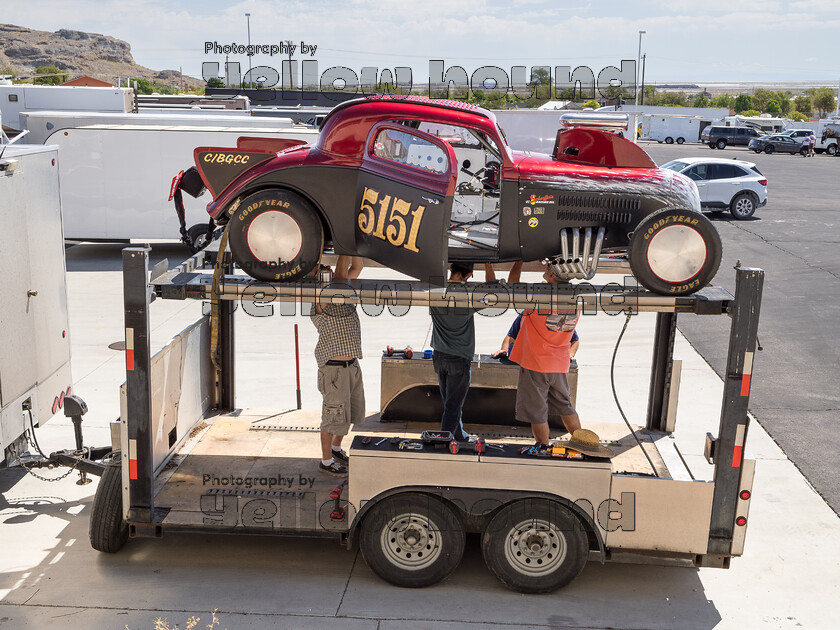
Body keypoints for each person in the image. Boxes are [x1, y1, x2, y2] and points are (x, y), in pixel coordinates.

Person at [509, 265, 582, 446]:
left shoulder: (538, 300)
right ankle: (583, 443)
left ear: (550, 275)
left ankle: (542, 447)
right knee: (565, 406)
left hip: (536, 363)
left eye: (547, 266)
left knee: (537, 412)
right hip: (559, 364)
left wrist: (518, 261)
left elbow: (512, 285)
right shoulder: (575, 302)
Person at [311, 256, 365, 476]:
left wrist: (353, 251)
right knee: (332, 417)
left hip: (351, 366)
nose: (331, 272)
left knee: (351, 413)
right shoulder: (320, 302)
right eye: (325, 272)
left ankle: (335, 449)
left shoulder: (342, 291)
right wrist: (345, 248)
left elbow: (357, 267)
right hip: (334, 370)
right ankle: (325, 461)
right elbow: (341, 279)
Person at [430, 262, 478, 442]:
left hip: (439, 355)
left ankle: (458, 434)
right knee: (452, 406)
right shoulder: (468, 298)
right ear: (469, 274)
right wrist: (489, 265)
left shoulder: (436, 291)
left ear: (451, 269)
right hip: (459, 358)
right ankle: (444, 443)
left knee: (450, 403)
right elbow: (495, 290)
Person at [492, 313, 579, 363]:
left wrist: (570, 355)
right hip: (525, 359)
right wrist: (504, 350)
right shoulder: (525, 314)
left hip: (550, 361)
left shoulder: (559, 317)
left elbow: (575, 340)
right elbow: (510, 336)